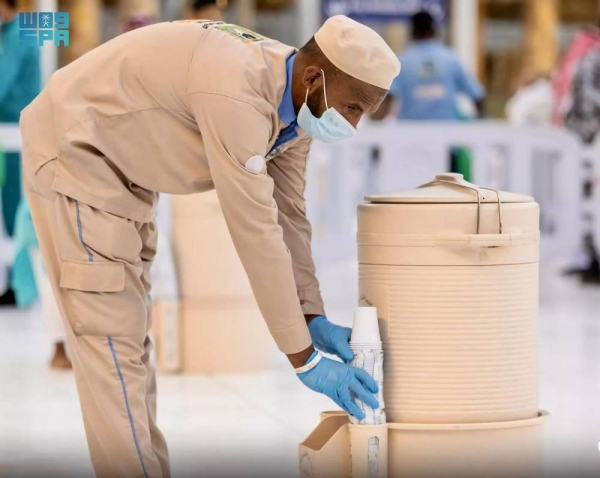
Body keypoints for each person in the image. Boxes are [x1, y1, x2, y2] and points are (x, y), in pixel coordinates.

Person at [20, 15, 400, 477]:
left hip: (126, 174)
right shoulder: (238, 90)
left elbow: (290, 219)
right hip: (78, 155)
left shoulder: (298, 111)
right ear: (315, 78)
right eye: (354, 107)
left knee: (131, 346)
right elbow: (255, 229)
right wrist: (305, 360)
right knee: (110, 342)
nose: (354, 125)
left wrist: (311, 316)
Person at [389, 10, 485, 120]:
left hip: (411, 130)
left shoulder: (402, 61)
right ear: (434, 31)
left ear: (412, 32)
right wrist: (483, 127)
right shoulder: (451, 59)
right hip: (447, 130)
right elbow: (477, 95)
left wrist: (375, 129)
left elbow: (387, 98)